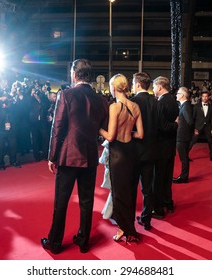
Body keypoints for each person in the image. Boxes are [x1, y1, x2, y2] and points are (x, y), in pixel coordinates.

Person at [41, 59, 108, 254]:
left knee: (61, 201)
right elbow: (101, 128)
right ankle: (83, 240)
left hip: (68, 156)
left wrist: (52, 156)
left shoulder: (66, 94)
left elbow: (58, 128)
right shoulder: (101, 100)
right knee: (87, 201)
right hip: (89, 155)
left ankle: (54, 242)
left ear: (74, 73)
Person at [99, 73, 143, 242]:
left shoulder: (115, 107)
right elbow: (140, 134)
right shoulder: (136, 106)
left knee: (118, 193)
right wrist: (128, 131)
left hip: (117, 153)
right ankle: (129, 227)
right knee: (130, 192)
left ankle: (122, 229)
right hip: (131, 152)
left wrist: (97, 129)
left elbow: (110, 136)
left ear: (114, 88)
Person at [131, 72, 159, 231]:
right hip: (151, 150)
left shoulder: (133, 101)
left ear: (138, 84)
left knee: (131, 187)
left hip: (135, 150)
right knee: (148, 188)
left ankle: (129, 220)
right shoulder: (155, 102)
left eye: (134, 83)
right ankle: (146, 219)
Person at [152, 76, 179, 218]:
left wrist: (176, 124)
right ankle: (168, 203)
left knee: (158, 179)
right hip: (170, 147)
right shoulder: (173, 101)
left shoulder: (161, 103)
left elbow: (162, 126)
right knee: (167, 179)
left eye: (155, 86)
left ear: (160, 87)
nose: (153, 89)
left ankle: (159, 209)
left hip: (161, 147)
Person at [173, 87, 194, 184]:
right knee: (184, 158)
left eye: (178, 93)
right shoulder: (184, 105)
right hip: (183, 136)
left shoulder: (185, 106)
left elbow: (190, 122)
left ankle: (183, 177)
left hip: (182, 136)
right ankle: (183, 176)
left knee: (184, 158)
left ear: (182, 95)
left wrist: (179, 122)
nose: (176, 95)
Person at [189, 91, 212, 161]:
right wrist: (194, 128)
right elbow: (193, 118)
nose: (205, 98)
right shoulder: (196, 106)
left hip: (207, 127)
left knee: (210, 141)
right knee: (193, 141)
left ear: (208, 97)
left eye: (206, 96)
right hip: (198, 126)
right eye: (203, 96)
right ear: (201, 97)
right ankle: (186, 155)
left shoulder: (211, 107)